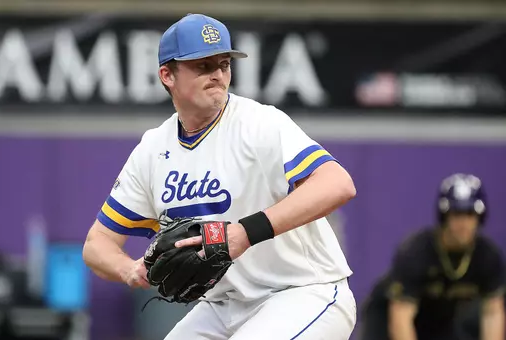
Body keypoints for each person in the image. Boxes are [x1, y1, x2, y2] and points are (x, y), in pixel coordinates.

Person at [82, 13, 357, 340]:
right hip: (224, 305)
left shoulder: (258, 123)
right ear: (167, 74)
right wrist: (130, 269)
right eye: (203, 65)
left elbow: (338, 183)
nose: (217, 74)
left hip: (303, 291)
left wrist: (245, 232)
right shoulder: (153, 150)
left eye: (223, 64)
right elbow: (96, 244)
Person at [359, 173, 505, 340]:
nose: (463, 223)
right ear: (444, 216)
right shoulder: (417, 252)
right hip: (387, 317)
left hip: (438, 319)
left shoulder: (487, 256)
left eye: (470, 214)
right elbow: (401, 318)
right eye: (457, 214)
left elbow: (492, 313)